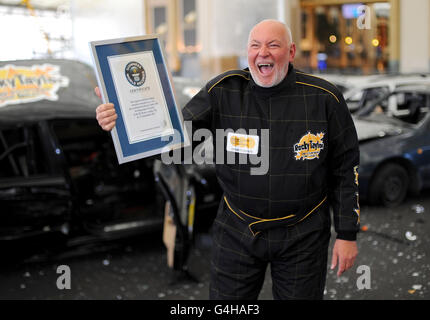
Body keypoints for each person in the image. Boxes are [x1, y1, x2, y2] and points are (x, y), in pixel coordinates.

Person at [95, 19, 360, 300]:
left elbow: (346, 168)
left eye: (273, 45)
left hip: (303, 234)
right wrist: (123, 118)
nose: (263, 53)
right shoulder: (224, 91)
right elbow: (173, 139)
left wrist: (347, 234)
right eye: (255, 45)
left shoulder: (324, 98)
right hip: (237, 229)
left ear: (292, 52)